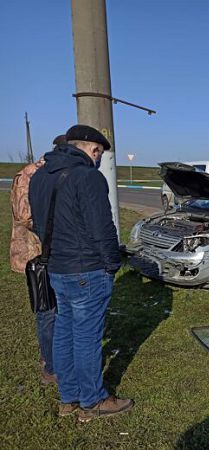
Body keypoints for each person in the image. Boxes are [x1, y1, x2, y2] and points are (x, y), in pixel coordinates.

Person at [29, 124, 133, 421]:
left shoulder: (40, 176)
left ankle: (68, 397)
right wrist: (112, 264)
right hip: (87, 268)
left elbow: (38, 223)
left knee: (64, 331)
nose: (99, 159)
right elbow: (103, 228)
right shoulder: (88, 177)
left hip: (58, 267)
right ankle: (93, 400)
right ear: (93, 149)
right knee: (87, 337)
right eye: (99, 153)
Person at [10, 134, 66, 385]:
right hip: (36, 252)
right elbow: (24, 216)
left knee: (55, 308)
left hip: (51, 250)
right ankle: (49, 365)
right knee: (46, 309)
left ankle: (53, 356)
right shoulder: (30, 175)